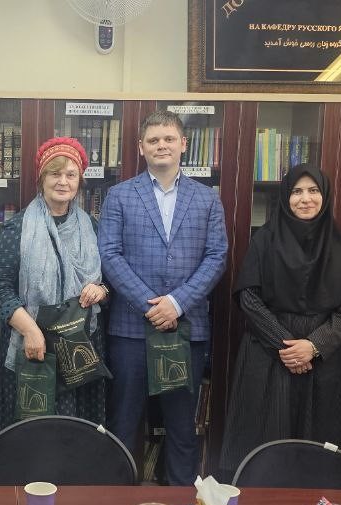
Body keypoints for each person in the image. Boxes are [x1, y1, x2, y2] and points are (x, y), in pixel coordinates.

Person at [98, 111, 226, 485]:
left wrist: (177, 303)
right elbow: (109, 254)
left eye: (169, 139)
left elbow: (217, 256)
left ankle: (182, 494)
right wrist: (151, 305)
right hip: (131, 330)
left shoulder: (207, 199)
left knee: (182, 426)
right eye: (153, 140)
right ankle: (118, 494)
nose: (161, 146)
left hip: (186, 329)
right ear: (141, 147)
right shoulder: (119, 196)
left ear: (183, 144)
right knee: (124, 421)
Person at [218, 165, 341, 476]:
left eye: (313, 191)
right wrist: (287, 347)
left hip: (322, 357)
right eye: (297, 191)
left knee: (320, 450)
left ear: (324, 196)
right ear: (285, 197)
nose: (305, 198)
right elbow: (249, 298)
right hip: (268, 353)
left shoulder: (340, 245)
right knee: (264, 442)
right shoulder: (264, 240)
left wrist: (314, 346)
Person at [0, 137, 109, 433]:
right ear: (42, 178)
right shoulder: (17, 228)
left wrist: (101, 290)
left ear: (79, 181)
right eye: (55, 173)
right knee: (31, 432)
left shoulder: (92, 228)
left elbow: (107, 282)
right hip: (32, 345)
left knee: (76, 433)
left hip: (80, 349)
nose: (63, 181)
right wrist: (31, 331)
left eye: (71, 175)